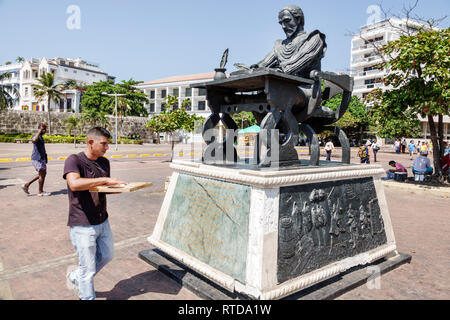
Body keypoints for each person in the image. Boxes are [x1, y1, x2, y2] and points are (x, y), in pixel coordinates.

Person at [64, 127, 126, 300]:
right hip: (82, 222)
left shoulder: (104, 162)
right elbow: (74, 184)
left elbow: (102, 189)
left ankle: (75, 277)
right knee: (88, 268)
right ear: (91, 142)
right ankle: (86, 295)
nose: (107, 148)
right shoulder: (74, 160)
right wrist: (106, 179)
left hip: (102, 220)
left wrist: (121, 188)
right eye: (104, 144)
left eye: (108, 144)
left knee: (107, 256)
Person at [250, 5, 327, 78]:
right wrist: (253, 69)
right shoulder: (280, 45)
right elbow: (262, 65)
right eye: (281, 23)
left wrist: (278, 70)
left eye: (287, 21)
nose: (283, 26)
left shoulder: (314, 39)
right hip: (281, 86)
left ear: (298, 19)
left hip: (307, 88)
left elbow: (292, 66)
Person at [21, 123, 50, 196]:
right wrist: (38, 132)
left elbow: (43, 148)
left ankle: (27, 185)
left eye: (45, 129)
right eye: (43, 129)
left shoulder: (41, 137)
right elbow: (34, 140)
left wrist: (45, 157)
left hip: (41, 158)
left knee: (43, 174)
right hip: (37, 158)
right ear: (39, 129)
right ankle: (40, 192)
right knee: (42, 174)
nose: (44, 130)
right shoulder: (36, 136)